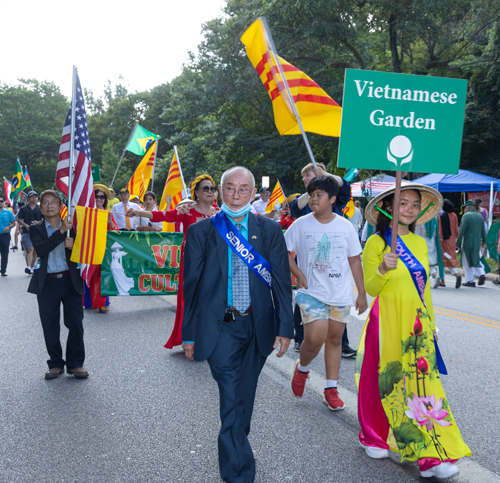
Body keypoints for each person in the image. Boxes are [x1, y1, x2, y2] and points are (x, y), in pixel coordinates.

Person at [181, 166, 293, 483]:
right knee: (230, 395)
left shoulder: (268, 230)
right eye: (229, 188)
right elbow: (190, 287)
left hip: (257, 325)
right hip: (220, 327)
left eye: (243, 189)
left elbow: (282, 283)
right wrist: (188, 333)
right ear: (220, 190)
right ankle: (239, 473)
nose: (235, 195)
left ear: (253, 192)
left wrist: (286, 326)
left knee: (244, 395)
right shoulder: (202, 231)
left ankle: (235, 439)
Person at [356, 183, 471, 479]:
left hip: (416, 323)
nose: (408, 209)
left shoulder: (419, 244)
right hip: (385, 320)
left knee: (423, 386)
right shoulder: (376, 242)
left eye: (414, 204)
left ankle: (431, 455)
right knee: (384, 382)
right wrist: (382, 268)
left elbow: (425, 292)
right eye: (402, 203)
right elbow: (371, 288)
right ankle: (373, 435)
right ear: (387, 208)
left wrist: (431, 324)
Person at [286, 176, 367, 410]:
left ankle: (331, 388)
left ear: (332, 199)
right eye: (311, 195)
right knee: (314, 337)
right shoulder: (300, 224)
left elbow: (354, 260)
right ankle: (302, 368)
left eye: (318, 195)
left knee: (334, 339)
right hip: (311, 292)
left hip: (339, 294)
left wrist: (360, 293)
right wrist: (299, 275)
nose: (313, 199)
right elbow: (285, 252)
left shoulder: (345, 226)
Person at [127, 175, 219, 350]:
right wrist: (139, 212)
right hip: (192, 262)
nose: (210, 191)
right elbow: (163, 215)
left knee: (209, 299)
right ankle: (189, 339)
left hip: (212, 262)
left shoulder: (218, 214)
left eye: (212, 189)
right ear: (196, 193)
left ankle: (207, 337)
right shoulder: (187, 210)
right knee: (190, 299)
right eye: (205, 188)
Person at [289, 162, 357, 358]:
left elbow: (345, 187)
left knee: (338, 303)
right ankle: (301, 339)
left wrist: (325, 176)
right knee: (305, 299)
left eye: (307, 174)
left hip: (333, 261)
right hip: (310, 262)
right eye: (304, 177)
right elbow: (294, 208)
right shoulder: (307, 200)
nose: (304, 178)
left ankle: (342, 344)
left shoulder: (335, 198)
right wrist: (312, 188)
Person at [27, 190, 88, 380]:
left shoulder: (72, 227)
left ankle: (75, 364)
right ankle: (55, 364)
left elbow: (86, 250)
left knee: (75, 323)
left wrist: (74, 245)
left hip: (70, 281)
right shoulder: (36, 228)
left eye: (53, 201)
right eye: (45, 202)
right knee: (50, 325)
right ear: (41, 207)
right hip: (47, 283)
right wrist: (61, 233)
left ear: (61, 205)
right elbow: (41, 249)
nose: (49, 205)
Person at [83, 184, 118, 313]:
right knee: (89, 276)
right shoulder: (87, 212)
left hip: (104, 250)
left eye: (102, 197)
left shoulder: (108, 213)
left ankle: (103, 303)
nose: (99, 199)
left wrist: (110, 222)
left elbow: (116, 233)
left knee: (103, 276)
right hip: (89, 249)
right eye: (96, 196)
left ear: (105, 199)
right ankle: (91, 302)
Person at [456, 200, 487, 287]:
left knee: (467, 261)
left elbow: (462, 230)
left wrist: (457, 243)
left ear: (468, 208)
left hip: (467, 241)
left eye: (465, 208)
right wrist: (484, 241)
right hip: (477, 242)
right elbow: (483, 230)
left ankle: (470, 281)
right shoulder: (480, 216)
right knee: (476, 259)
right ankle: (481, 274)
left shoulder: (466, 216)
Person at [438, 199, 462, 288]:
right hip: (452, 240)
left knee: (441, 262)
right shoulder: (454, 215)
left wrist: (440, 244)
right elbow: (456, 230)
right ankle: (456, 275)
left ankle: (443, 281)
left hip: (444, 241)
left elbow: (440, 231)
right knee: (450, 260)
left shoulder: (442, 216)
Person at [17, 190, 42, 274]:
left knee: (35, 250)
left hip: (37, 231)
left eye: (35, 197)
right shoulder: (23, 209)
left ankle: (32, 267)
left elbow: (45, 219)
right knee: (29, 249)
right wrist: (25, 225)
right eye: (32, 197)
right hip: (26, 231)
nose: (34, 198)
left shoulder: (40, 208)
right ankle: (28, 266)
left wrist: (38, 223)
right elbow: (19, 219)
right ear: (28, 198)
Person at [415, 217, 444, 289]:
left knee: (422, 262)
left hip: (422, 242)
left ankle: (422, 280)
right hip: (432, 242)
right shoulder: (434, 221)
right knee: (430, 263)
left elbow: (416, 234)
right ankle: (435, 275)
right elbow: (435, 234)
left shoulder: (421, 220)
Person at [0, 196, 16, 276]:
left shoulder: (8, 212)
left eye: (1, 201)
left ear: (3, 202)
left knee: (4, 254)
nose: (0, 202)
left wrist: (9, 227)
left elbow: (13, 222)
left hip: (5, 236)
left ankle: (3, 270)